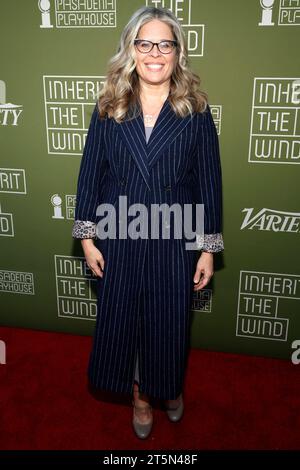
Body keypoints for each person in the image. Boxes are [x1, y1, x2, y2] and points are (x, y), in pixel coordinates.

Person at [72, 5, 224, 439]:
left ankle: (168, 389)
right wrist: (87, 238)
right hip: (119, 233)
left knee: (169, 324)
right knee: (125, 323)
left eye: (165, 44)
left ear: (177, 53)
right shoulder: (109, 105)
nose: (155, 53)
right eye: (145, 43)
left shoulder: (195, 109)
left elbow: (209, 180)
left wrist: (208, 249)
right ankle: (141, 398)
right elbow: (90, 174)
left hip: (174, 236)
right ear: (131, 50)